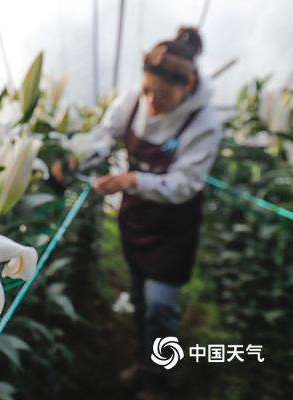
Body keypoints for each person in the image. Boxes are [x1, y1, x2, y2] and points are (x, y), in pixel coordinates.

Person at [86, 27, 222, 399]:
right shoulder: (133, 99)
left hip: (173, 232)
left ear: (188, 84)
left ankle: (159, 383)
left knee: (162, 306)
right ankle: (144, 364)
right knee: (142, 299)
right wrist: (78, 159)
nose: (151, 104)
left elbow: (184, 184)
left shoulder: (204, 122)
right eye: (147, 90)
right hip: (136, 221)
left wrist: (131, 180)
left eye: (162, 97)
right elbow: (105, 134)